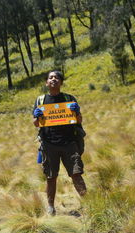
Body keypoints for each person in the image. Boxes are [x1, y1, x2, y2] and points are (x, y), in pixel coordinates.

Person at [33, 70, 87, 216]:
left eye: (56, 77)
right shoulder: (41, 101)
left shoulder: (69, 99)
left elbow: (79, 120)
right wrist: (36, 117)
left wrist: (76, 112)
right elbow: (36, 123)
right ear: (46, 82)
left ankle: (89, 204)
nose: (53, 80)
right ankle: (50, 207)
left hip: (69, 143)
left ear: (61, 82)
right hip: (49, 144)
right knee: (51, 177)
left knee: (76, 174)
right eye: (50, 78)